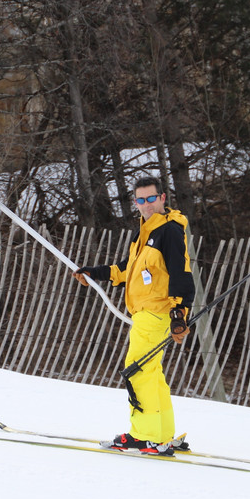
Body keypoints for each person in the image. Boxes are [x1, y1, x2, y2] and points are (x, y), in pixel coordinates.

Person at [73, 176, 195, 456]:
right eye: (140, 200)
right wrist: (95, 273)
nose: (146, 205)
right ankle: (162, 434)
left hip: (155, 313)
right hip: (148, 314)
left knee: (137, 372)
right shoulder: (146, 233)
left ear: (163, 199)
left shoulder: (169, 231)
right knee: (150, 373)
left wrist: (180, 313)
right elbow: (127, 270)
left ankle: (145, 436)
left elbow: (181, 272)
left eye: (151, 199)